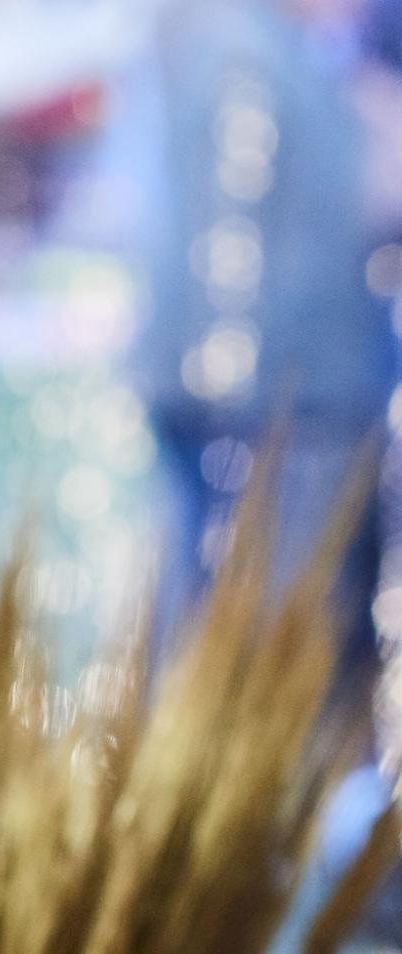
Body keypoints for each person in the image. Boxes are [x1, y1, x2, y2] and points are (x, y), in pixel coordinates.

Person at [136, 0, 389, 637]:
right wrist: (238, 407)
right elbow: (230, 238)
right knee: (266, 635)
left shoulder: (293, 50)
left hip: (282, 401)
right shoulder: (242, 47)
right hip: (276, 410)